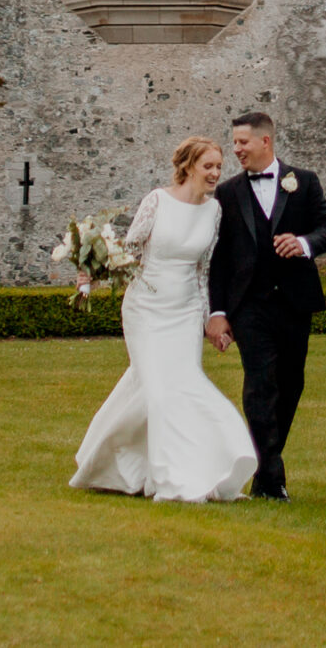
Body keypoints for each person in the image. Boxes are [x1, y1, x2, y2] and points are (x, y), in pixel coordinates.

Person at [69, 135, 259, 502]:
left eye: (219, 166)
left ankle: (121, 465)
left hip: (186, 310)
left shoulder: (214, 211)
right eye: (208, 166)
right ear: (188, 166)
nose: (216, 173)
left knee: (180, 384)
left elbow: (203, 270)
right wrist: (90, 270)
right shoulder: (157, 201)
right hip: (146, 308)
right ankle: (171, 479)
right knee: (159, 393)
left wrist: (209, 321)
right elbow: (129, 250)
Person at [206, 111, 326, 502]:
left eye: (242, 142)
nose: (236, 150)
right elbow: (221, 258)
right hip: (250, 306)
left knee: (291, 384)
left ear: (266, 142)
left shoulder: (305, 182)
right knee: (259, 385)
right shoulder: (228, 193)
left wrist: (303, 243)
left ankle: (266, 471)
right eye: (234, 143)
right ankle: (273, 476)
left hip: (296, 303)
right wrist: (218, 312)